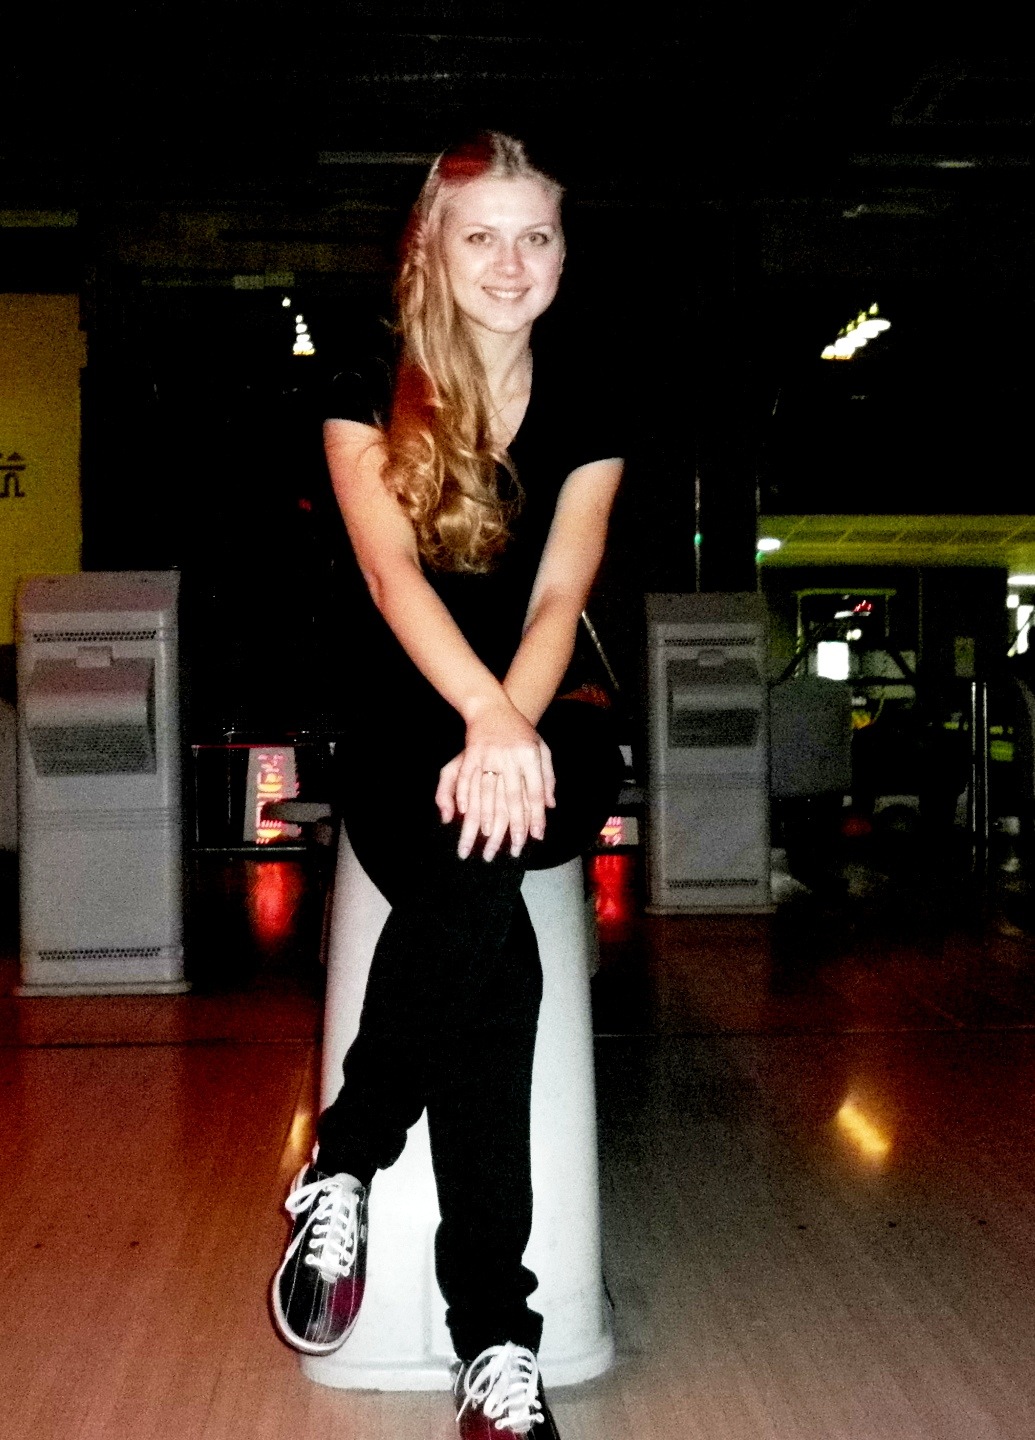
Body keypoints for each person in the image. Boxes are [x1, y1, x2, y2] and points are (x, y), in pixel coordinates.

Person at [271, 132, 625, 1439]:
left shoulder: (592, 396)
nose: (511, 262)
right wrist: (475, 718)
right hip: (403, 722)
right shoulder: (364, 384)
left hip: (548, 715)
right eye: (483, 235)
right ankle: (495, 1343)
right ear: (431, 246)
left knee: (481, 871)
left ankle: (346, 1161)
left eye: (537, 235)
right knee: (488, 934)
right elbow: (392, 577)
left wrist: (509, 725)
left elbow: (560, 593)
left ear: (564, 254)